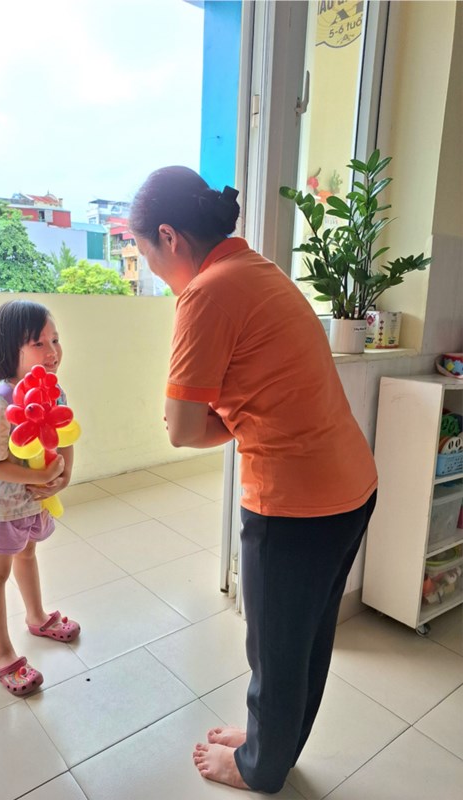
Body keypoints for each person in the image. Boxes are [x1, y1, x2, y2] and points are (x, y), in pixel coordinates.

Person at [129, 166, 378, 794]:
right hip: (350, 484)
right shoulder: (258, 269)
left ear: (169, 236)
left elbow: (182, 428)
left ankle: (260, 767)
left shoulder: (207, 292)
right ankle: (276, 744)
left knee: (274, 650)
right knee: (307, 640)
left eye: (144, 250)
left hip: (295, 503)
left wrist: (220, 419)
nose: (150, 265)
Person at [0, 299, 80, 695]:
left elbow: (65, 435)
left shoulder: (55, 391)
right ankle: (0, 652)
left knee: (29, 554)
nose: (52, 351)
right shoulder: (2, 402)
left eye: (55, 340)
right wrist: (39, 475)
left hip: (33, 502)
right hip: (0, 510)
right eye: (38, 343)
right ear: (9, 349)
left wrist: (63, 477)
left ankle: (36, 616)